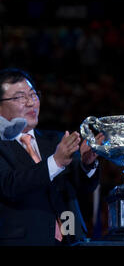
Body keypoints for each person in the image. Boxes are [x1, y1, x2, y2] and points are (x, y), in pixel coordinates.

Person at [0, 68, 103, 246]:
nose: (31, 103)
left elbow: (82, 188)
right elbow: (10, 185)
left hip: (71, 239)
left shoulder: (55, 140)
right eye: (19, 97)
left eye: (33, 95)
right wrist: (55, 162)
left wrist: (87, 165)